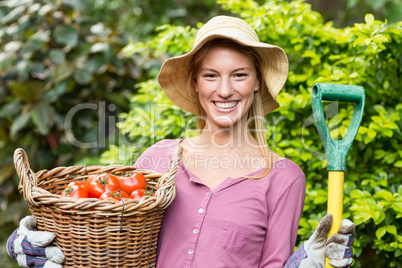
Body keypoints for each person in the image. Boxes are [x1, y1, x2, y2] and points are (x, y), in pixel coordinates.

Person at [7, 15, 354, 268]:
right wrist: (35, 244)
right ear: (196, 83)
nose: (224, 90)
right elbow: (112, 249)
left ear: (258, 82)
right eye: (211, 75)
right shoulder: (157, 160)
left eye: (240, 75)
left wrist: (305, 263)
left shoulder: (283, 178)